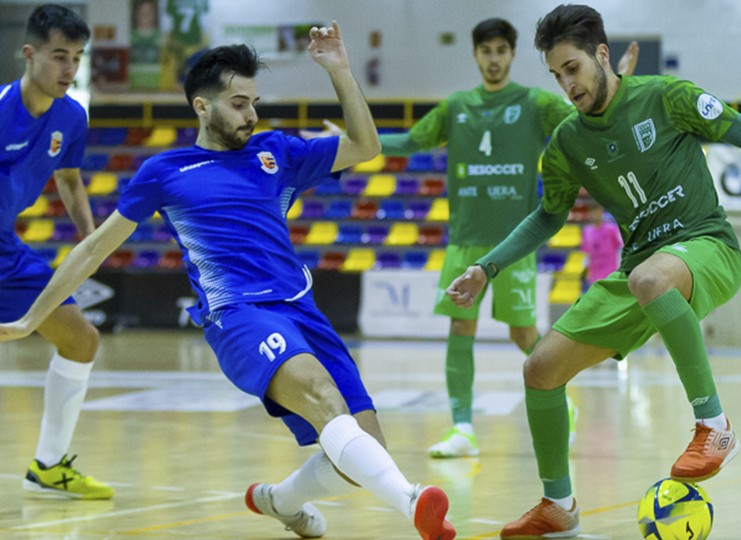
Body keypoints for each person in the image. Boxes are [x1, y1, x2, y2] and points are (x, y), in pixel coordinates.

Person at [0, 26, 455, 540]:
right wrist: (33, 317)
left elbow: (365, 145)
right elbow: (94, 247)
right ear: (202, 106)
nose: (251, 114)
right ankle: (413, 501)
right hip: (238, 314)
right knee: (324, 396)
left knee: (361, 454)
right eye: (239, 103)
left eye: (254, 103)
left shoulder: (277, 153)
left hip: (302, 307)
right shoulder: (165, 171)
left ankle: (280, 500)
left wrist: (340, 70)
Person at [445, 5, 741, 538]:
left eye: (573, 69)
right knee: (540, 369)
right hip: (641, 269)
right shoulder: (566, 142)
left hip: (706, 247)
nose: (566, 84)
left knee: (650, 279)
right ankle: (558, 507)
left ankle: (715, 427)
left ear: (601, 55)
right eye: (556, 74)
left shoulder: (665, 96)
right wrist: (486, 267)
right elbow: (547, 217)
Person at [377, 18, 638, 458]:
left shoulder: (534, 103)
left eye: (501, 50)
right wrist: (354, 142)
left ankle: (564, 403)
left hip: (514, 243)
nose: (493, 59)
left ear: (512, 55)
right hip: (464, 241)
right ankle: (462, 428)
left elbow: (586, 113)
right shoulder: (456, 106)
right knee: (461, 327)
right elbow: (411, 140)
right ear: (475, 56)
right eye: (486, 51)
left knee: (522, 334)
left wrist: (620, 81)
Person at [0, 4, 113, 500]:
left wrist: (90, 238)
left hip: (5, 250)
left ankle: (48, 466)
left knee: (80, 340)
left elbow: (69, 179)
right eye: (59, 56)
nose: (70, 69)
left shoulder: (72, 115)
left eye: (77, 57)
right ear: (29, 55)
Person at [580, 204, 621, 286]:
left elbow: (619, 249)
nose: (595, 215)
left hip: (610, 274)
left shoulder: (611, 229)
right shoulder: (586, 231)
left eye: (597, 212)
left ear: (601, 213)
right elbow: (586, 253)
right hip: (594, 275)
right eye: (592, 212)